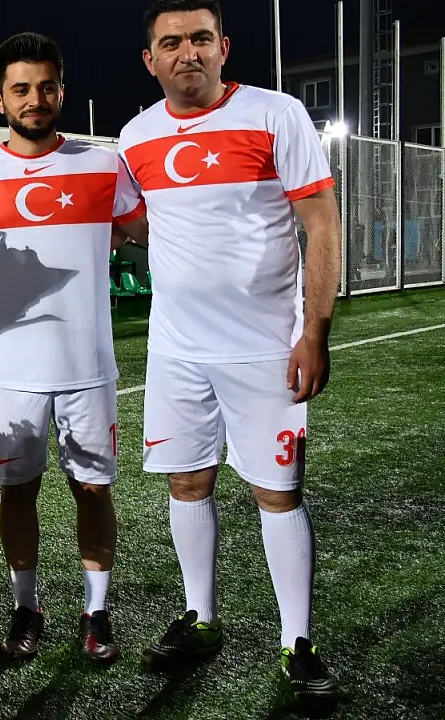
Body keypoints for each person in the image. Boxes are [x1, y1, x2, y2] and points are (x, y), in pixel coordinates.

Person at [119, 0, 341, 706]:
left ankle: (298, 643)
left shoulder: (276, 115)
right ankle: (200, 618)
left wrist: (315, 331)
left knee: (277, 492)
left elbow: (321, 223)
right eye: (171, 43)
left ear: (223, 47)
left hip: (265, 348)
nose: (187, 52)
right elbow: (142, 225)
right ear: (150, 60)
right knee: (186, 483)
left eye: (200, 39)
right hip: (176, 349)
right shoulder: (135, 136)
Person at [0, 33, 149, 665]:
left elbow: (145, 230)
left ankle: (97, 612)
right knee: (18, 492)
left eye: (46, 87)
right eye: (21, 89)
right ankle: (26, 608)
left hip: (88, 365)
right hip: (11, 367)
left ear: (62, 91)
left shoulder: (103, 165)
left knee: (93, 489)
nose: (35, 99)